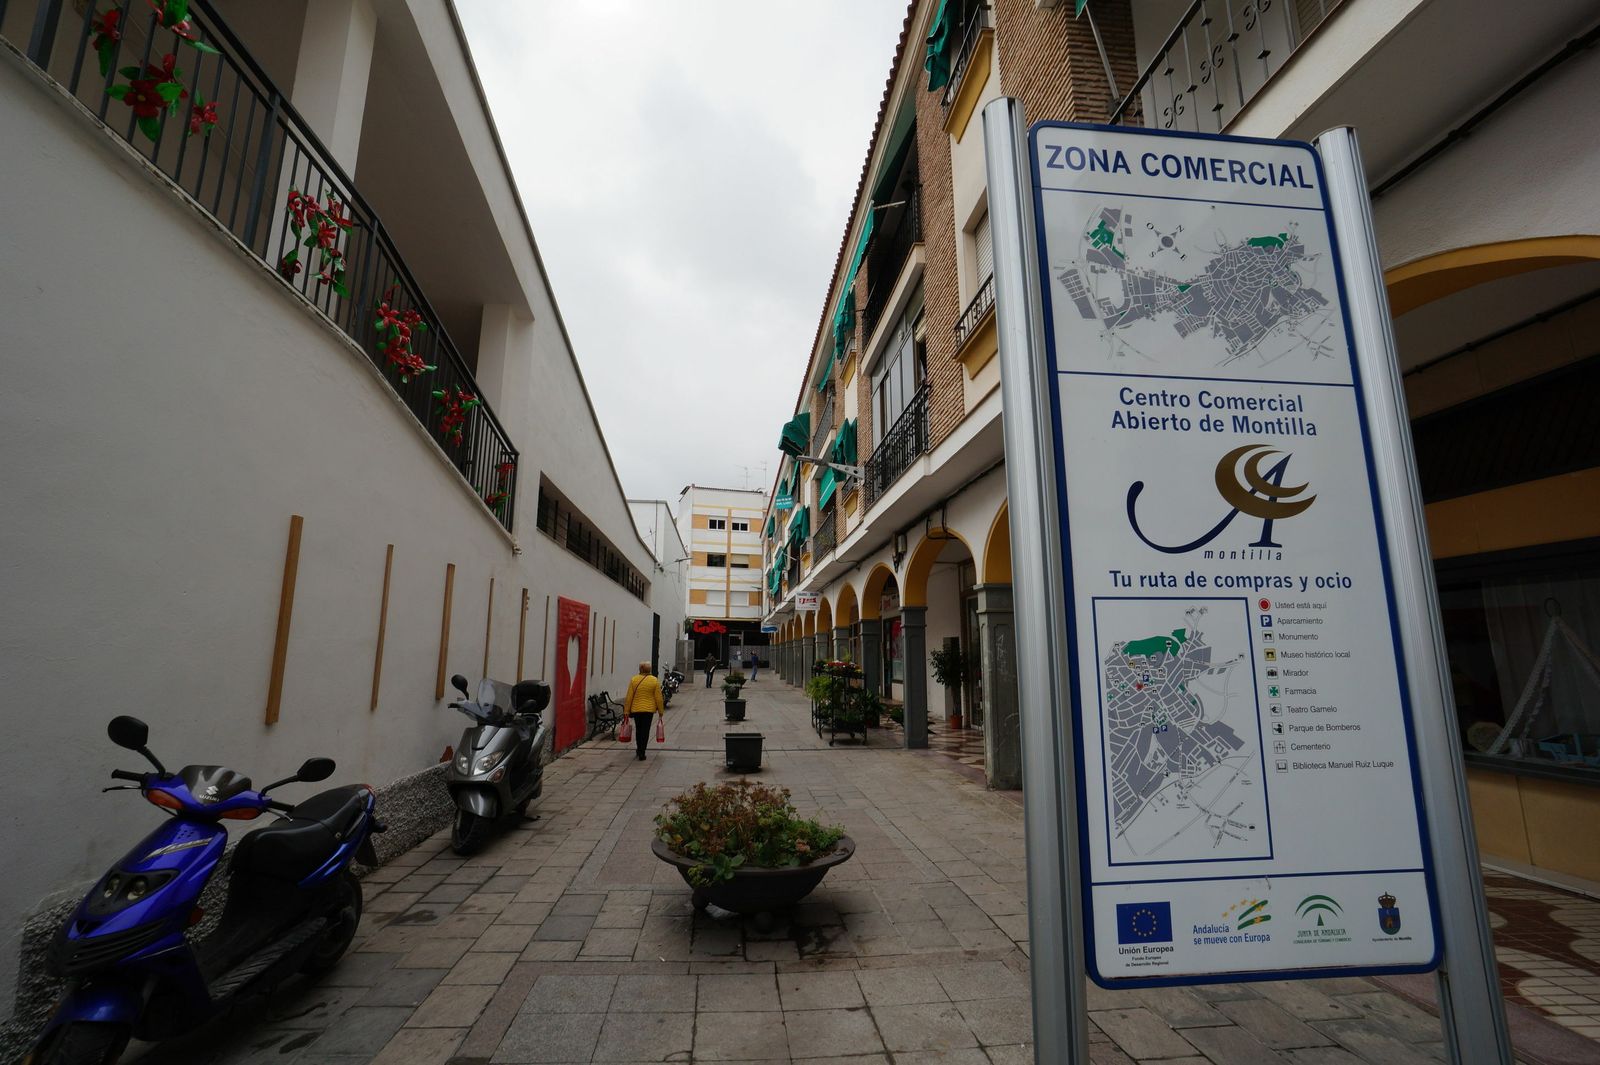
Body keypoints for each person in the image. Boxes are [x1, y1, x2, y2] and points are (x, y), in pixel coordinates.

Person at [622, 662, 664, 761]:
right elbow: (659, 698)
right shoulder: (654, 680)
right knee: (645, 730)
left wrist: (626, 711)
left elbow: (629, 697)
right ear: (649, 670)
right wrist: (661, 711)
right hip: (649, 710)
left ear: (640, 669)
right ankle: (642, 751)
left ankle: (639, 748)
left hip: (637, 710)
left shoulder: (634, 680)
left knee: (639, 730)